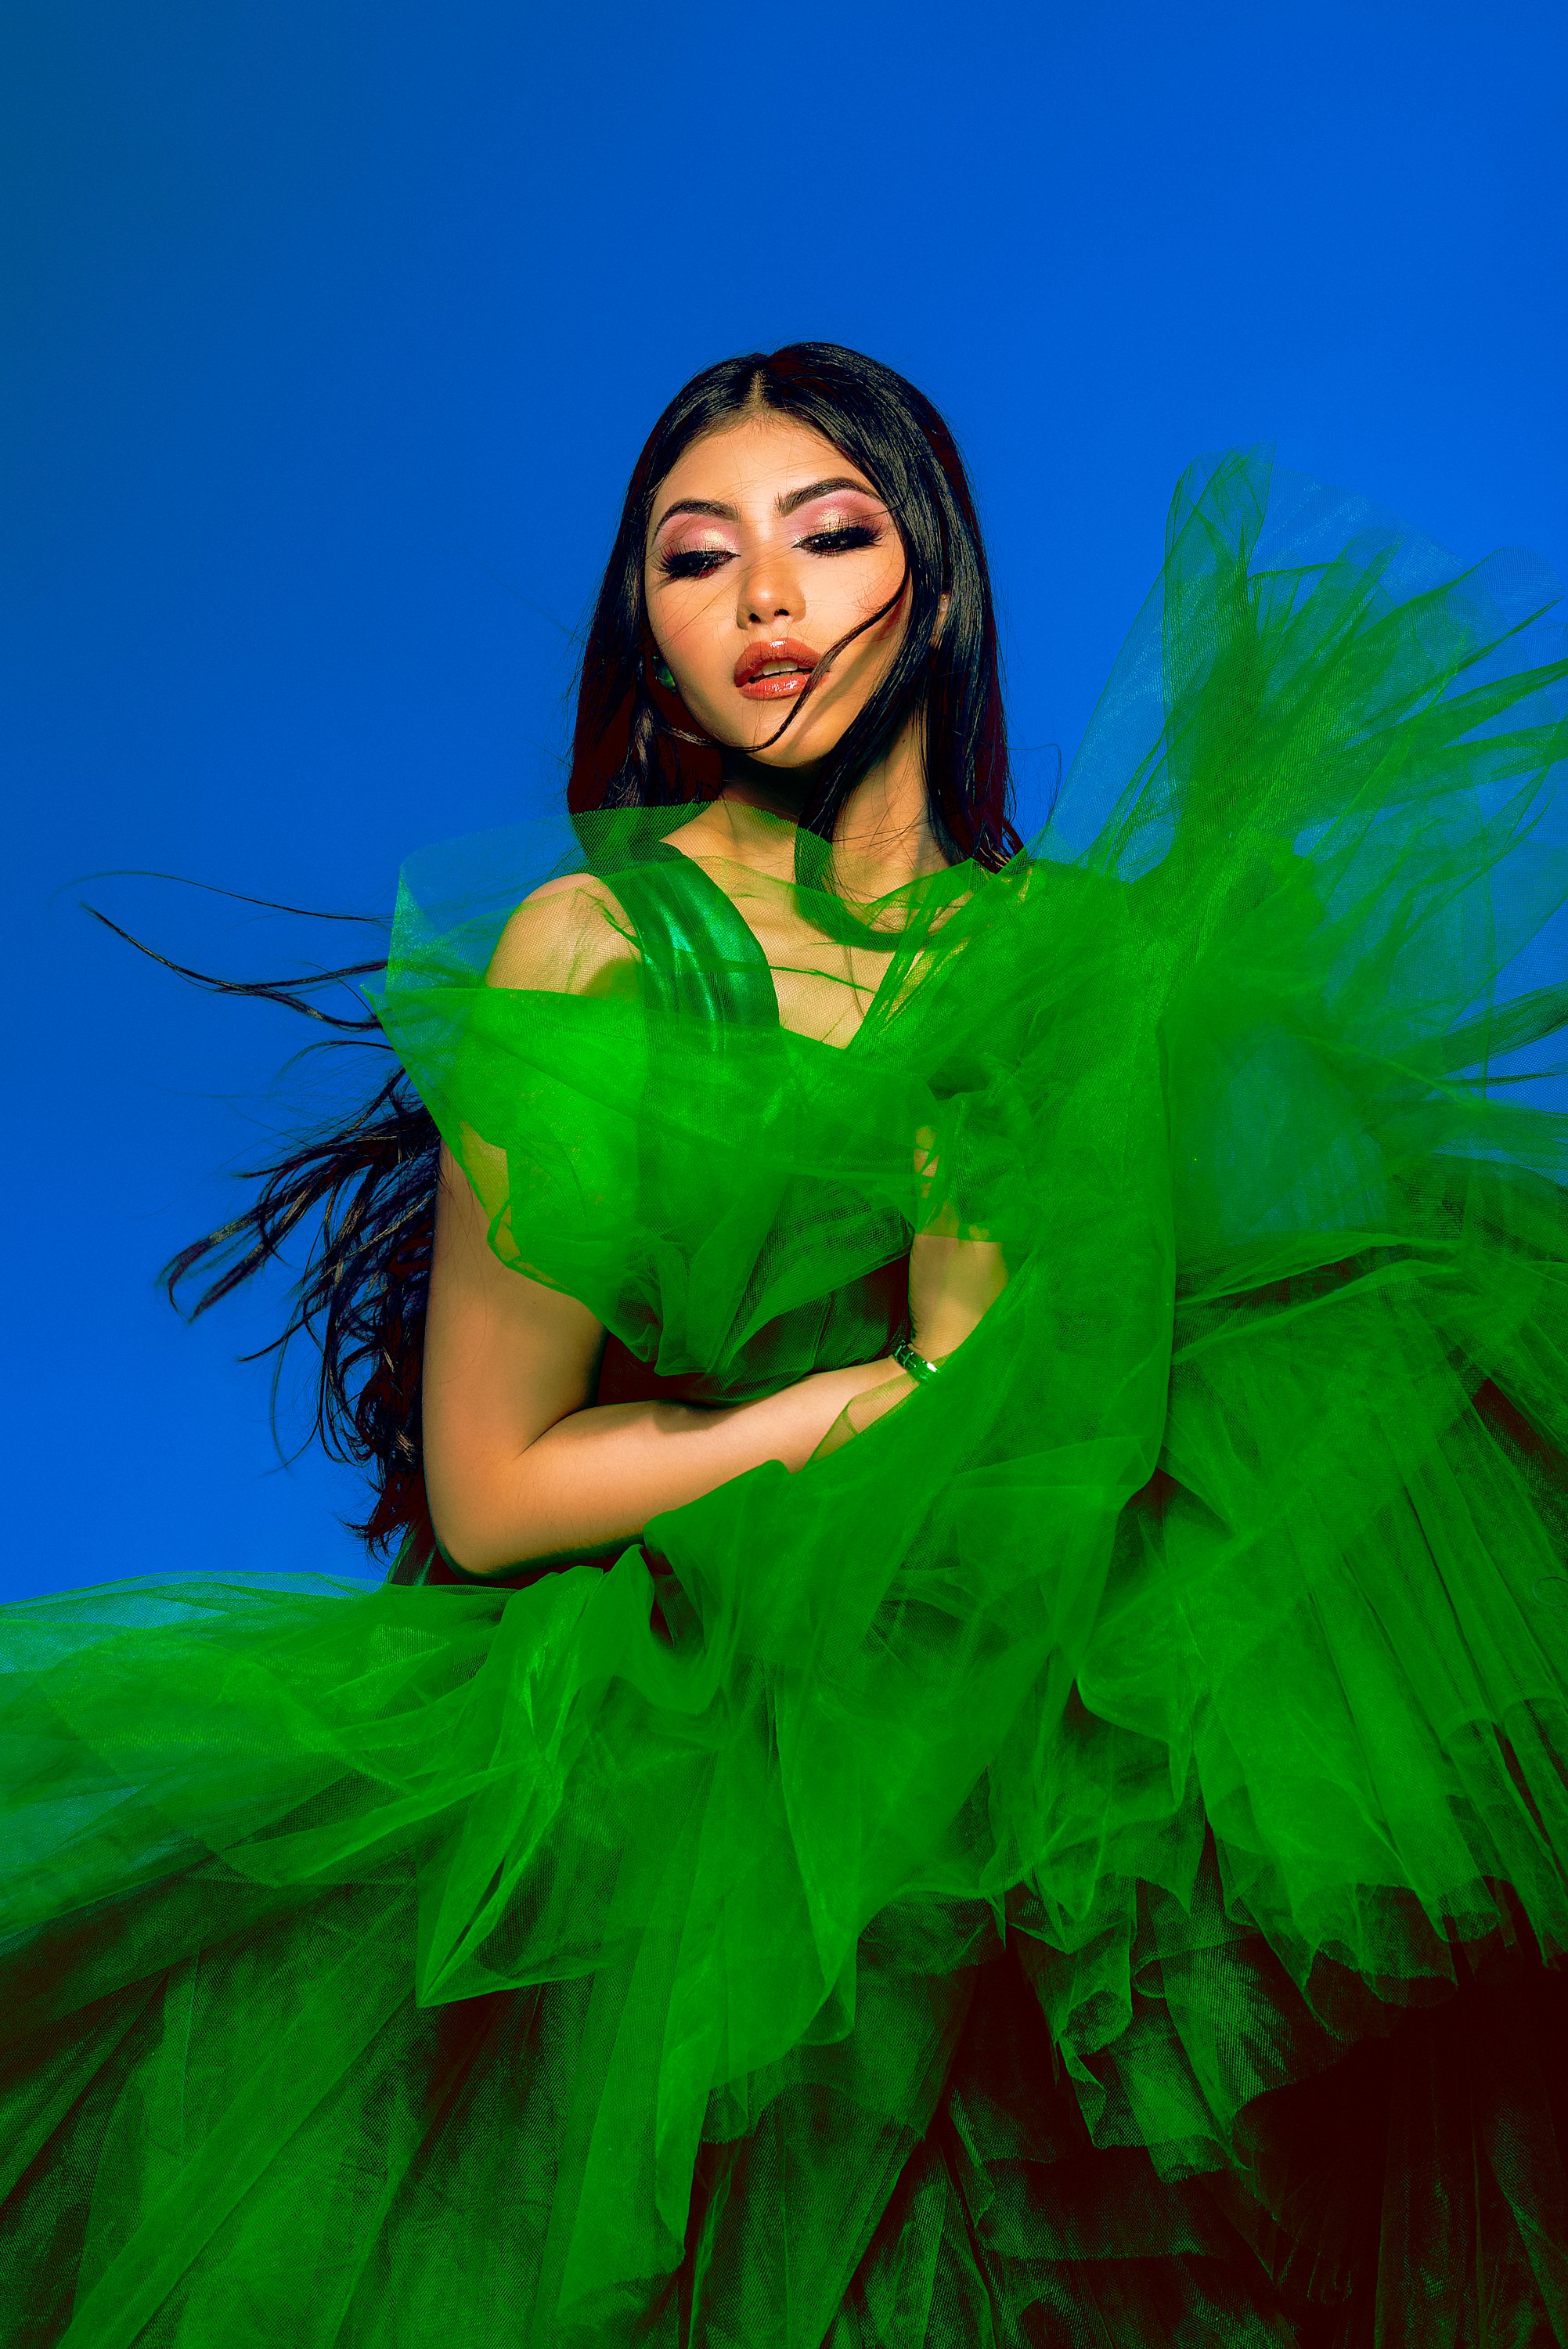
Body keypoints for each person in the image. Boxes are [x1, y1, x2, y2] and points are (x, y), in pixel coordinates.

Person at [5, 342, 1568, 2347]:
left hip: (1029, 1755)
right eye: (695, 557)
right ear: (646, 634)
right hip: (676, 1761)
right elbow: (489, 1490)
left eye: (829, 536)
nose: (765, 598)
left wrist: (983, 1333)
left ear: (937, 579)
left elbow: (1070, 1408)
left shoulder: (1068, 956)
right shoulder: (596, 950)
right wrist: (857, 1403)